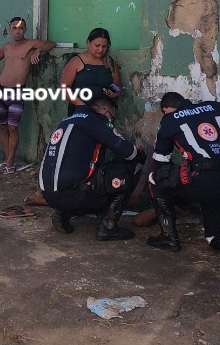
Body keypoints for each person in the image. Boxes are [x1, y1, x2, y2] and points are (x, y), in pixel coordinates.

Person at [147, 87, 220, 269]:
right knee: (214, 237)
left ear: (166, 109)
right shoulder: (213, 107)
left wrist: (174, 192)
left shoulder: (169, 121)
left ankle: (168, 236)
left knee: (155, 179)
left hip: (203, 181)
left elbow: (160, 161)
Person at [38, 96, 145, 240]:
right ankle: (108, 226)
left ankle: (61, 214)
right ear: (106, 111)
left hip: (49, 195)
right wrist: (138, 153)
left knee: (74, 172)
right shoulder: (96, 121)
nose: (111, 122)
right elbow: (127, 151)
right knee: (130, 167)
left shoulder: (66, 121)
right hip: (74, 196)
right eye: (112, 118)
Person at [0, 17, 56, 172]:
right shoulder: (6, 47)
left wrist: (39, 50)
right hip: (2, 90)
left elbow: (52, 44)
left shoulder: (30, 44)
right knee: (3, 127)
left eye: (20, 28)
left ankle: (10, 162)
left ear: (25, 30)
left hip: (18, 91)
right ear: (10, 29)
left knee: (13, 127)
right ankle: (8, 162)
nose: (17, 31)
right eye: (14, 28)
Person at [60, 27, 122, 108]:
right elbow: (64, 88)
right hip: (80, 111)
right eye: (97, 45)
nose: (100, 49)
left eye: (104, 46)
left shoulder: (110, 63)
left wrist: (115, 93)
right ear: (88, 43)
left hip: (103, 112)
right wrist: (80, 104)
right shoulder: (76, 61)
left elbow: (118, 86)